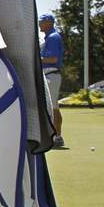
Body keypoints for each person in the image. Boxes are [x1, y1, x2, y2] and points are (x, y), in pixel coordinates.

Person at [39, 14, 65, 147]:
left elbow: (53, 59)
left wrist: (37, 59)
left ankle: (57, 137)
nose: (39, 24)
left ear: (48, 22)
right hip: (49, 75)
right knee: (54, 106)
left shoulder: (53, 38)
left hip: (51, 74)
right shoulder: (48, 38)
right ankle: (56, 136)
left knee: (52, 107)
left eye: (41, 21)